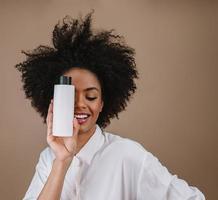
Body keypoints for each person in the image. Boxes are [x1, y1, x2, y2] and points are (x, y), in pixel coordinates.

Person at [15, 12, 205, 200]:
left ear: (102, 104)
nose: (81, 104)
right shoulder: (49, 158)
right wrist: (62, 161)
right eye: (70, 96)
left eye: (91, 96)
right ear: (54, 103)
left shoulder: (127, 155)